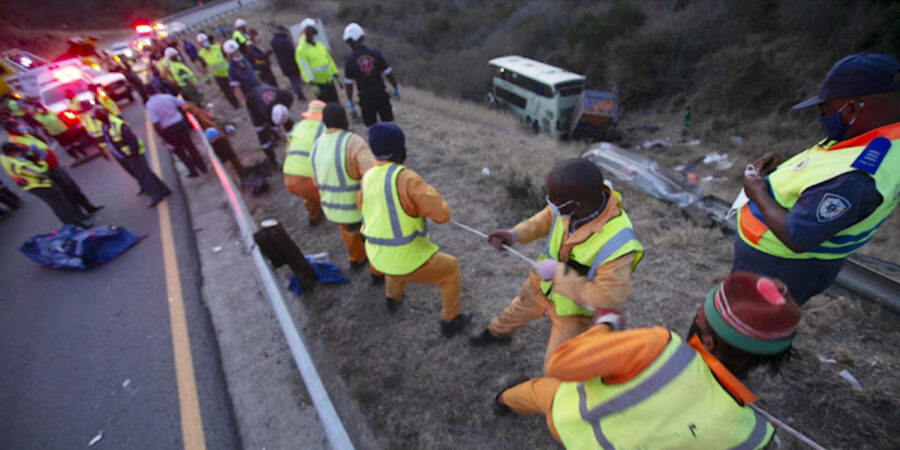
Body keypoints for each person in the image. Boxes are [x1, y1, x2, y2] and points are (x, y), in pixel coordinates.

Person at [496, 271, 800, 449]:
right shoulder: (754, 435)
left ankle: (503, 401)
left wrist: (606, 325)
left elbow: (560, 363)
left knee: (537, 390)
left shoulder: (659, 346)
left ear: (708, 339)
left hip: (566, 419)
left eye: (700, 313)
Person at [735, 53, 900, 305]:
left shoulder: (857, 176)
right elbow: (825, 170)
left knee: (750, 324)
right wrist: (785, 169)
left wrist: (757, 191)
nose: (823, 119)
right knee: (761, 324)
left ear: (853, 109)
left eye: (825, 112)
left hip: (779, 265)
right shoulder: (876, 138)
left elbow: (797, 236)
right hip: (783, 264)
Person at [470, 158, 644, 373]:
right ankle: (495, 334)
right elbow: (543, 219)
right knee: (511, 313)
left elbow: (608, 298)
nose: (550, 204)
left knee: (557, 365)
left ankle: (542, 397)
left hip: (572, 311)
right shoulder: (569, 206)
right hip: (537, 289)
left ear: (573, 205)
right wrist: (514, 235)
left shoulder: (620, 242)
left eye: (554, 199)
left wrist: (557, 274)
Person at [357, 123, 472, 336]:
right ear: (402, 150)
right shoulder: (406, 178)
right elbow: (442, 215)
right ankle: (450, 321)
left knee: (394, 266)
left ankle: (392, 299)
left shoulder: (368, 177)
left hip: (376, 257)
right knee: (450, 269)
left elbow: (361, 205)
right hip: (406, 259)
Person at [309, 103, 378, 277]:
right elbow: (372, 175)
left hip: (332, 209)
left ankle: (356, 259)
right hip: (357, 209)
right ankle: (377, 272)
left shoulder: (316, 145)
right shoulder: (353, 141)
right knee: (373, 236)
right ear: (344, 120)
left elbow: (315, 180)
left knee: (348, 229)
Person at [5, 121, 102, 217]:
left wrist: (33, 133)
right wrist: (37, 157)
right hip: (48, 169)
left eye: (19, 125)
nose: (20, 127)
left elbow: (39, 142)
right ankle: (79, 214)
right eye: (17, 127)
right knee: (66, 191)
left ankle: (88, 206)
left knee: (72, 187)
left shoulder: (24, 135)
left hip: (53, 164)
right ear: (11, 130)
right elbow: (27, 158)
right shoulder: (16, 142)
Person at [94, 107, 171, 208]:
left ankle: (156, 195)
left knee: (143, 175)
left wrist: (134, 154)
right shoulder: (105, 125)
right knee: (145, 173)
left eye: (98, 115)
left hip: (132, 154)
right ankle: (164, 190)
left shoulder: (117, 124)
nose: (97, 118)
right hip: (124, 155)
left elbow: (131, 140)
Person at [1, 142, 91, 227]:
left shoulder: (8, 160)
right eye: (16, 151)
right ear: (11, 153)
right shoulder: (18, 164)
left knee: (59, 205)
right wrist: (40, 162)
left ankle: (74, 223)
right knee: (62, 206)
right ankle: (76, 224)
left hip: (36, 185)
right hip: (41, 185)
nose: (18, 153)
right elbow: (39, 172)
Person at [342, 23, 401, 127]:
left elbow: (349, 84)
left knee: (372, 129)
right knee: (389, 126)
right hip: (381, 95)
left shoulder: (349, 60)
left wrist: (350, 101)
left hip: (365, 99)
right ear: (362, 37)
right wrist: (395, 88)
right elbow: (388, 73)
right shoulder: (375, 53)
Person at [144, 84, 208, 177]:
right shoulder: (167, 97)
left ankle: (192, 170)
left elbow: (155, 122)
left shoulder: (150, 105)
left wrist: (161, 135)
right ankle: (202, 167)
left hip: (169, 131)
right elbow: (182, 103)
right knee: (190, 146)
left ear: (147, 94)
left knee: (179, 151)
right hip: (180, 124)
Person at [283, 100, 326, 225]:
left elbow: (287, 150)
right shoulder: (324, 129)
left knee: (307, 195)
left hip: (289, 178)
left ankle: (314, 217)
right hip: (308, 179)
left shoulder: (298, 127)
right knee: (331, 195)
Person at [246, 83, 294, 165]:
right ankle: (273, 160)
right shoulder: (266, 113)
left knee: (289, 122)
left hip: (262, 89)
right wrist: (288, 144)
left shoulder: (285, 95)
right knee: (263, 134)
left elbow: (290, 100)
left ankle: (293, 136)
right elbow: (278, 131)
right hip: (253, 102)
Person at [295, 23, 340, 103]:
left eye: (315, 35)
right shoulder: (301, 50)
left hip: (329, 80)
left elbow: (329, 60)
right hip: (318, 84)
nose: (314, 37)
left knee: (336, 102)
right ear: (307, 35)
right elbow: (304, 68)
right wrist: (312, 84)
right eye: (312, 35)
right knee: (325, 105)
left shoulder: (319, 45)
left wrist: (336, 74)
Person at [196, 33, 240, 109]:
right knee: (227, 91)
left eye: (205, 40)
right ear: (200, 44)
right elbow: (203, 65)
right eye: (202, 42)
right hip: (218, 75)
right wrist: (205, 76)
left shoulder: (217, 47)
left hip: (228, 71)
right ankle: (235, 104)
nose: (204, 43)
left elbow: (226, 57)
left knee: (237, 86)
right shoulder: (201, 54)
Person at [271, 24, 306, 102]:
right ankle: (300, 95)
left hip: (282, 64)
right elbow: (291, 53)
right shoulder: (285, 41)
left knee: (292, 79)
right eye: (284, 31)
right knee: (295, 79)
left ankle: (296, 91)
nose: (285, 32)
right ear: (281, 31)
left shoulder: (273, 41)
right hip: (291, 63)